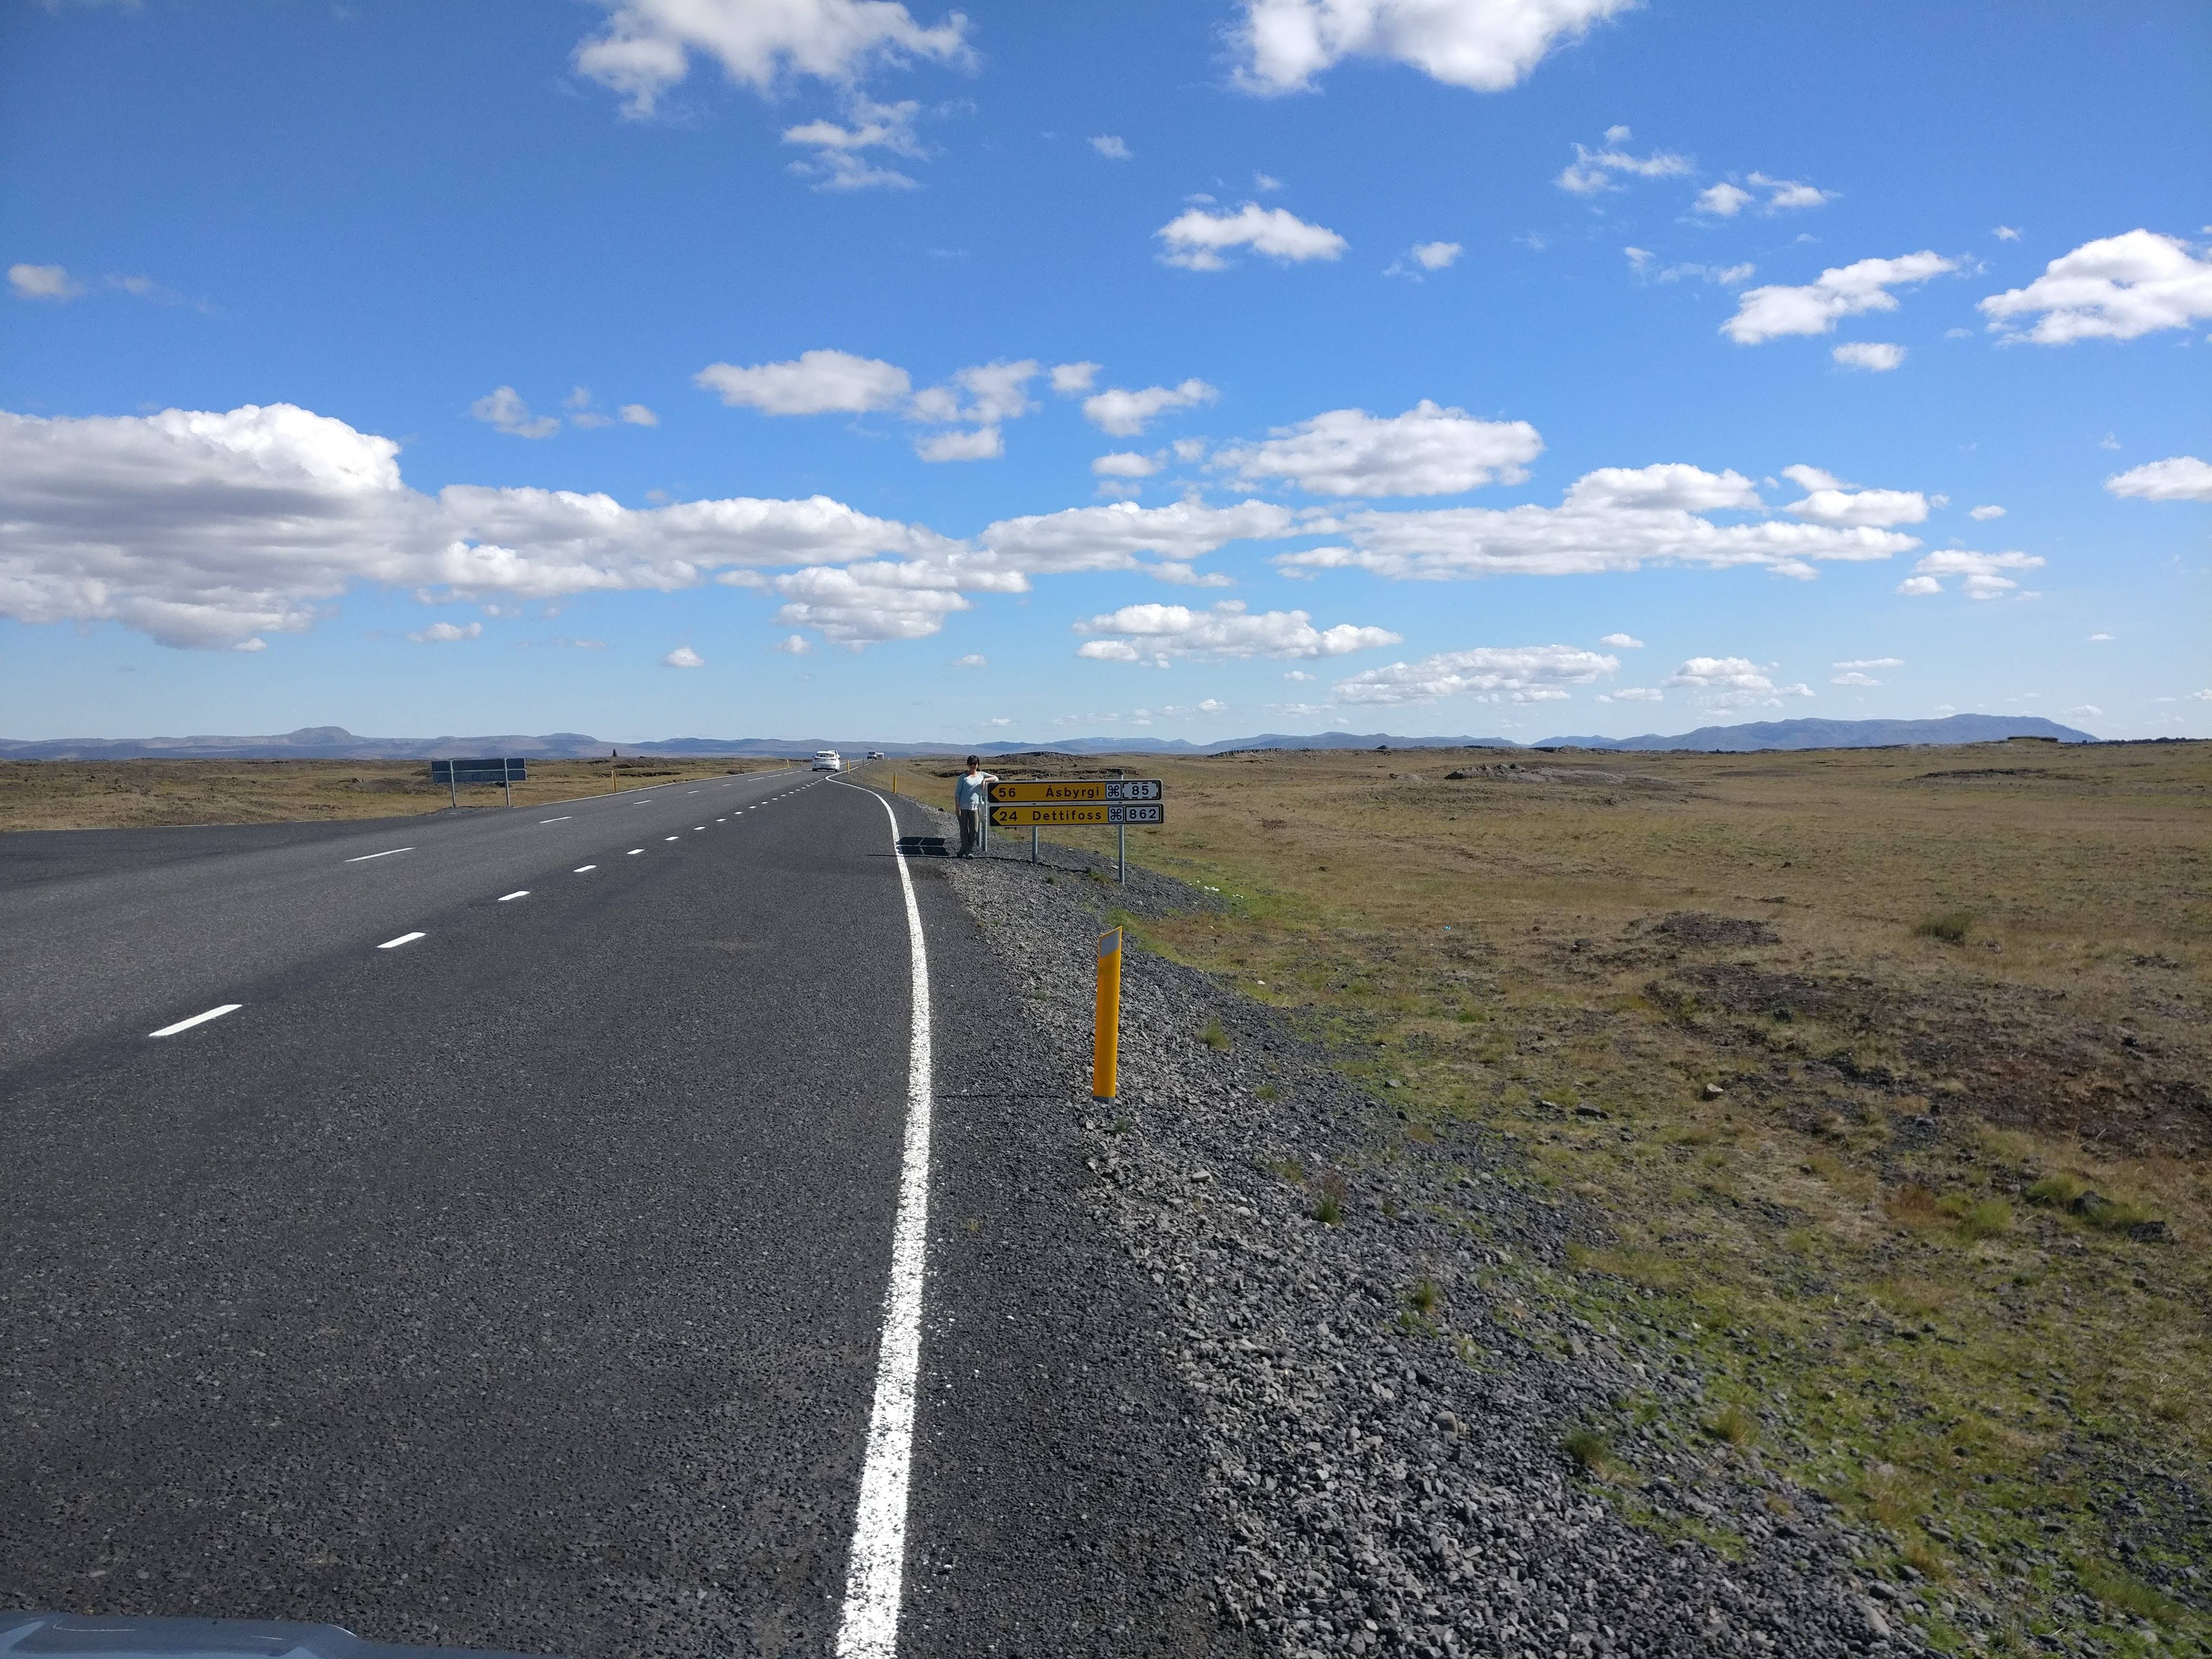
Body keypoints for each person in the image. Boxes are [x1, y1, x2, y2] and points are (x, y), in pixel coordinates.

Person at [954, 754, 996, 857]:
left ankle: (964, 849)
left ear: (978, 764)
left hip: (975, 807)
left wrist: (985, 780)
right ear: (968, 765)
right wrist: (957, 807)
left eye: (975, 764)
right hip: (963, 807)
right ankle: (969, 852)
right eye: (971, 764)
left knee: (974, 830)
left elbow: (996, 778)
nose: (973, 766)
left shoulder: (982, 775)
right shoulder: (963, 777)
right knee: (964, 830)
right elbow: (957, 794)